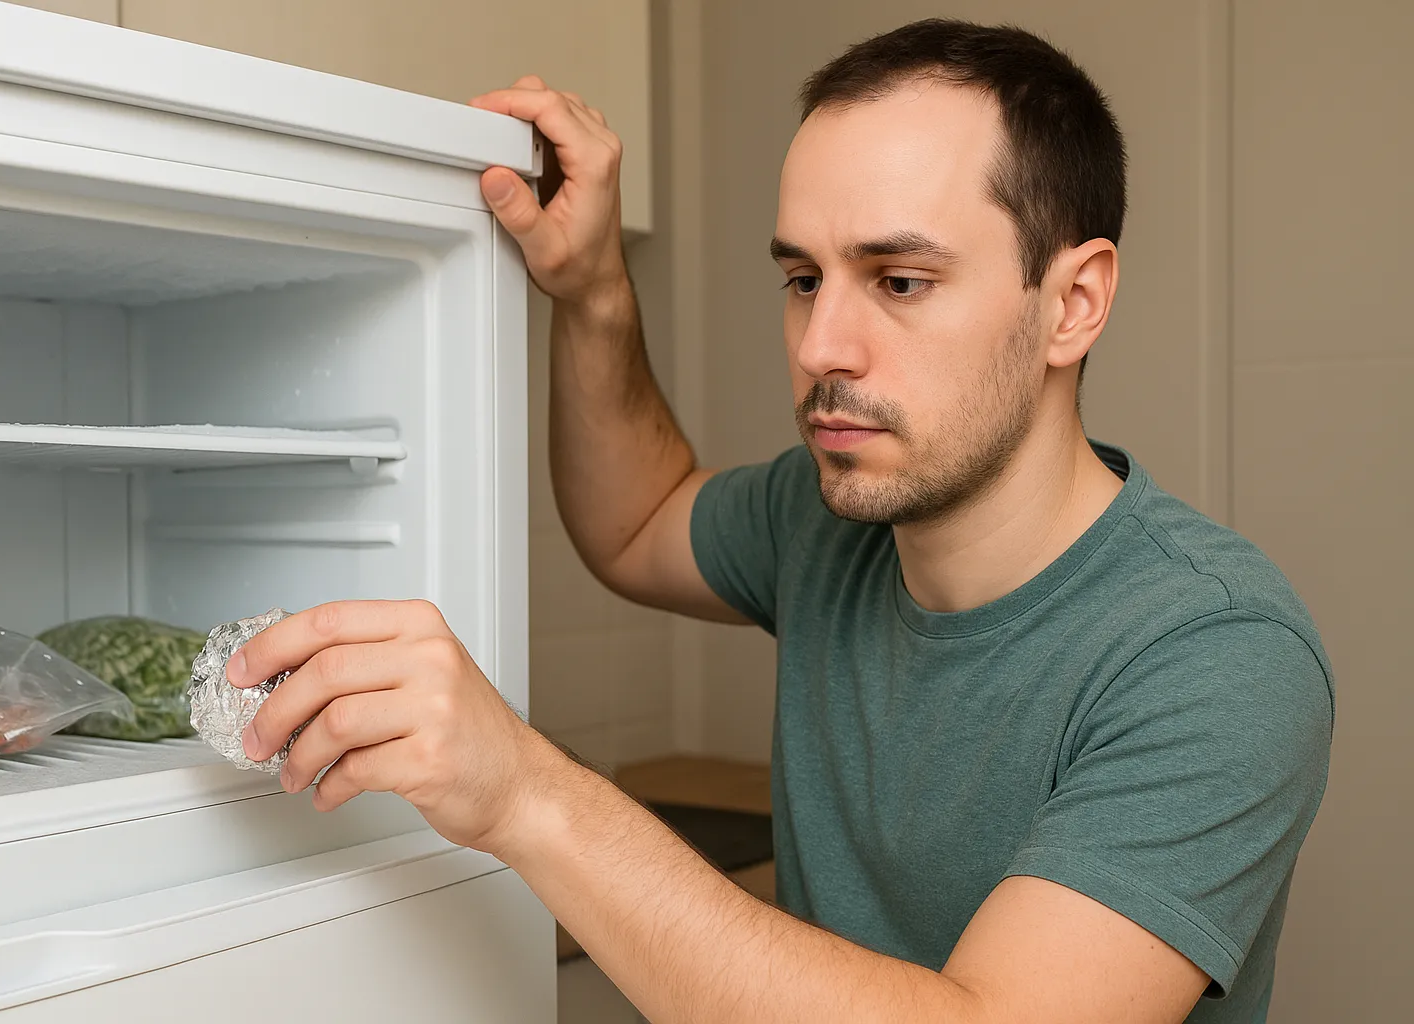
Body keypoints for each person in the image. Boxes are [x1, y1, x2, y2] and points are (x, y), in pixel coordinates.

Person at [225, 19, 1333, 1023]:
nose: (821, 347)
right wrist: (594, 289)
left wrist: (524, 789)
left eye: (899, 281)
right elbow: (639, 517)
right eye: (805, 278)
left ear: (1073, 303)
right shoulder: (830, 520)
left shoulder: (1215, 654)